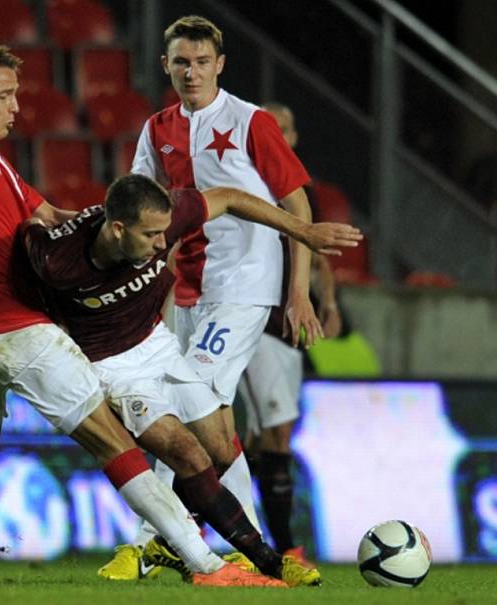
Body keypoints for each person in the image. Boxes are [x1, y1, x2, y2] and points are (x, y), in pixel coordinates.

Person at [0, 38, 286, 589]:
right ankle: (208, 567)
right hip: (17, 330)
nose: (16, 107)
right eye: (5, 95)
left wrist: (107, 230)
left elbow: (52, 216)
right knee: (115, 442)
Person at [23, 174, 361, 585]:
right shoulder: (56, 259)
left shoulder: (166, 216)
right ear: (117, 229)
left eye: (164, 232)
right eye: (150, 236)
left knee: (221, 452)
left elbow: (233, 197)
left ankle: (165, 544)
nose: (162, 244)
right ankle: (270, 562)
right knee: (188, 455)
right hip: (114, 369)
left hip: (160, 345)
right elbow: (16, 233)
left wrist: (304, 231)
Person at [101, 15, 322, 580]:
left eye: (202, 62)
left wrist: (298, 292)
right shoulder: (156, 129)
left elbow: (298, 207)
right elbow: (139, 211)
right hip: (187, 291)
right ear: (166, 66)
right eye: (181, 62)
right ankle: (260, 556)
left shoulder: (252, 122)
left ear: (220, 64)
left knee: (184, 400)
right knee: (207, 422)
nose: (191, 72)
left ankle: (155, 540)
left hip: (245, 287)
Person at [237, 102, 343, 561]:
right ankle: (285, 547)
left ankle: (226, 523)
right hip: (255, 318)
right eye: (270, 128)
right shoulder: (243, 184)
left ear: (294, 138)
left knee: (264, 437)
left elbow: (315, 250)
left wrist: (330, 301)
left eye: (285, 128)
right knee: (277, 431)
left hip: (291, 326)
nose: (278, 135)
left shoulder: (301, 190)